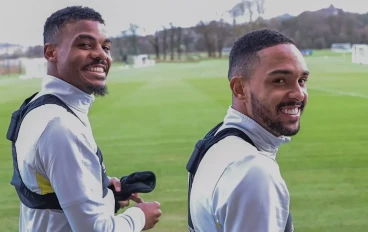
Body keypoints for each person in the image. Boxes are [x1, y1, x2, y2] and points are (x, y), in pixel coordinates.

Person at [6, 6, 161, 232]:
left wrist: (100, 190)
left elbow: (49, 195)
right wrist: (139, 217)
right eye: (85, 45)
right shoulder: (61, 127)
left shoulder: (38, 105)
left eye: (105, 47)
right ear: (51, 52)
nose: (101, 54)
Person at [187, 29, 309, 231]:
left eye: (302, 80)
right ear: (239, 88)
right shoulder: (253, 171)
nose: (299, 94)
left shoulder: (217, 138)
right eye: (279, 80)